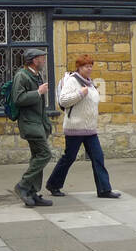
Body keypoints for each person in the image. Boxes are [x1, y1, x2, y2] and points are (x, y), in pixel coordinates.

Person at [46, 54, 120, 199]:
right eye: (87, 66)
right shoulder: (73, 81)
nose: (90, 68)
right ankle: (53, 185)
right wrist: (81, 93)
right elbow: (64, 100)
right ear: (79, 67)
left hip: (90, 129)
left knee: (98, 157)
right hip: (75, 129)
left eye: (91, 66)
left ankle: (104, 190)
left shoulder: (89, 82)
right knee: (69, 158)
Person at [10, 48, 54, 207]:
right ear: (34, 60)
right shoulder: (21, 76)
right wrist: (38, 92)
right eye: (42, 58)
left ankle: (32, 192)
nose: (43, 61)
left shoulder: (35, 75)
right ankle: (23, 185)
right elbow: (18, 98)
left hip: (38, 123)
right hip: (29, 124)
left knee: (37, 158)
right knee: (44, 155)